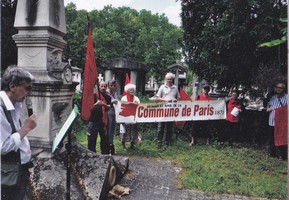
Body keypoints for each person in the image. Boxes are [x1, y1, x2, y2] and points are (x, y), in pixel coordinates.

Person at [1, 66, 37, 200]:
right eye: (27, 88)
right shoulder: (0, 107)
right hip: (7, 176)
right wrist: (26, 128)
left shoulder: (15, 104)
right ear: (12, 86)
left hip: (17, 171)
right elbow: (3, 146)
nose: (30, 93)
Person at [156, 72, 180, 148]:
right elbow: (157, 98)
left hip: (171, 110)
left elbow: (178, 97)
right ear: (165, 79)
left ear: (172, 79)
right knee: (161, 127)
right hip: (162, 110)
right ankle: (159, 143)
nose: (169, 80)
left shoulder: (175, 88)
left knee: (170, 128)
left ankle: (168, 142)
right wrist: (166, 101)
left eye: (170, 79)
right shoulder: (162, 87)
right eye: (167, 79)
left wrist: (176, 100)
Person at [87, 81, 111, 154]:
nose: (103, 88)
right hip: (93, 121)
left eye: (104, 86)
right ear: (98, 87)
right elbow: (89, 109)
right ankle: (92, 156)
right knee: (92, 141)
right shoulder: (93, 96)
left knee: (105, 141)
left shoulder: (108, 97)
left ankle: (104, 156)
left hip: (103, 121)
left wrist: (104, 105)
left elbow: (107, 109)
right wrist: (96, 104)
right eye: (101, 86)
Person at [266, 82, 288, 159]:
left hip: (281, 123)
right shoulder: (273, 97)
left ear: (284, 89)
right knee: (271, 137)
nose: (278, 89)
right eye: (277, 87)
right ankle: (271, 153)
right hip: (272, 121)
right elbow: (268, 106)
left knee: (281, 137)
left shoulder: (287, 97)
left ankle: (282, 155)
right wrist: (269, 109)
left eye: (280, 88)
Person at [120, 83, 140, 150]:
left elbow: (139, 106)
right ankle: (123, 145)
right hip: (125, 117)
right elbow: (122, 105)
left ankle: (132, 144)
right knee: (124, 131)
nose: (132, 91)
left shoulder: (136, 98)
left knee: (134, 131)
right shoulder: (124, 98)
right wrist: (132, 104)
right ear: (127, 91)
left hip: (134, 117)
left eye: (133, 90)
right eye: (131, 90)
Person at [106, 79, 118, 154]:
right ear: (108, 86)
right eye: (111, 85)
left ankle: (111, 144)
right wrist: (111, 102)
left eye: (114, 85)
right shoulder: (106, 93)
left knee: (112, 129)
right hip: (108, 112)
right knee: (108, 129)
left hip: (113, 112)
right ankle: (108, 146)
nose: (112, 87)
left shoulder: (115, 93)